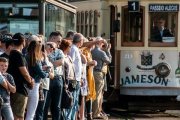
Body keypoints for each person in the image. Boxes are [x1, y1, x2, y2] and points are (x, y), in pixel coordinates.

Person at [7, 33, 35, 120]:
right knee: (18, 115)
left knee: (17, 114)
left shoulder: (12, 54)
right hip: (20, 89)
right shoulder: (18, 55)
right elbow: (24, 72)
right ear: (23, 42)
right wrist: (31, 80)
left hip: (15, 87)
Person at [43, 31, 64, 120]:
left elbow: (60, 62)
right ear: (52, 39)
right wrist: (51, 63)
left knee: (56, 105)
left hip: (57, 78)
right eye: (58, 41)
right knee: (45, 104)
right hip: (46, 79)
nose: (59, 43)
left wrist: (48, 62)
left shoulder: (59, 51)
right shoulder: (42, 49)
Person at [91, 36, 112, 119]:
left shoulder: (91, 51)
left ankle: (92, 111)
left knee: (92, 93)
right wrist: (108, 50)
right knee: (98, 93)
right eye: (103, 43)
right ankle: (95, 113)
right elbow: (109, 61)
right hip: (98, 73)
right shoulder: (101, 52)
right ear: (100, 43)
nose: (103, 45)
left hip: (91, 72)